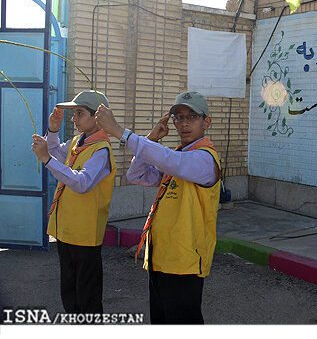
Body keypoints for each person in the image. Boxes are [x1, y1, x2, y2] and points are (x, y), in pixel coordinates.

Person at [95, 91, 221, 324]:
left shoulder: (204, 159)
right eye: (178, 117)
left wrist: (121, 132)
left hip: (185, 262)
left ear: (207, 122)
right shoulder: (177, 155)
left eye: (191, 116)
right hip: (161, 258)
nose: (183, 123)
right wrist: (151, 138)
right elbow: (137, 174)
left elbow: (172, 162)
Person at [31, 90, 116, 314]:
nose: (73, 118)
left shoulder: (101, 150)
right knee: (69, 290)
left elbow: (81, 183)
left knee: (86, 295)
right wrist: (53, 129)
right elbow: (55, 153)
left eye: (79, 113)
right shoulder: (78, 142)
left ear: (97, 116)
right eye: (73, 113)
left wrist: (46, 159)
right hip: (66, 230)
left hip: (85, 234)